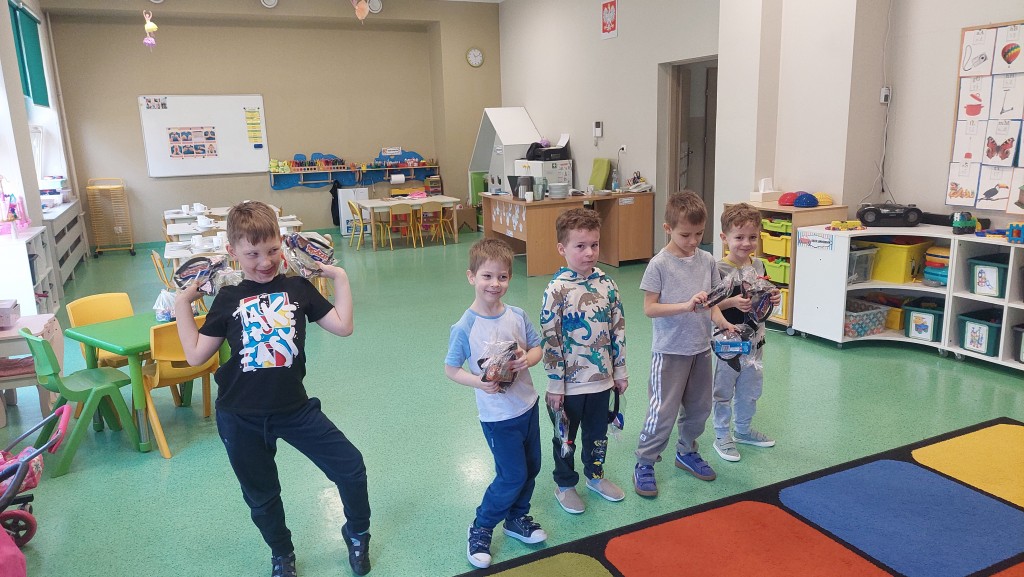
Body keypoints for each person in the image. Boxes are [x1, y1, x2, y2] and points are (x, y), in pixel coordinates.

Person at [174, 200, 371, 577]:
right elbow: (197, 354)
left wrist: (339, 277)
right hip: (240, 417)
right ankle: (282, 553)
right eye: (252, 254)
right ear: (232, 251)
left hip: (294, 409)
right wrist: (183, 303)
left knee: (350, 467)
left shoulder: (299, 288)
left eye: (272, 250)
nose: (265, 262)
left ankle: (357, 533)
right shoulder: (228, 298)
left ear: (282, 243)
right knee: (262, 495)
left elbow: (343, 326)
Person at [445, 238, 547, 569]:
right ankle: (482, 525)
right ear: (471, 277)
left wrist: (528, 359)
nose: (495, 284)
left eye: (502, 277)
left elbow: (537, 347)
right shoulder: (465, 326)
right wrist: (480, 382)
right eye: (487, 276)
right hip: (497, 416)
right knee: (511, 475)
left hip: (527, 406)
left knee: (532, 467)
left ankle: (517, 518)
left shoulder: (516, 315)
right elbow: (451, 369)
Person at [633, 191, 738, 498]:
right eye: (685, 235)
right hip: (669, 352)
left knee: (700, 408)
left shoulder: (707, 261)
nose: (693, 241)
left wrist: (723, 323)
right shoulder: (659, 265)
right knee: (662, 411)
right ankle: (645, 461)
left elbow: (712, 303)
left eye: (699, 234)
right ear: (668, 228)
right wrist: (685, 306)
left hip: (700, 349)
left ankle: (686, 451)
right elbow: (649, 309)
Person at [540, 208, 628, 515]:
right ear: (562, 248)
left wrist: (620, 370)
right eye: (580, 246)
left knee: (597, 435)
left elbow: (618, 329)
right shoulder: (556, 290)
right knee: (565, 437)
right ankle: (565, 484)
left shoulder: (608, 285)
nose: (589, 252)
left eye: (594, 244)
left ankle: (595, 476)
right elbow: (550, 338)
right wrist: (555, 385)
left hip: (602, 381)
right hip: (568, 387)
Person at [711, 203, 780, 462]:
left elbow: (764, 297)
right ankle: (721, 435)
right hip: (728, 342)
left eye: (752, 237)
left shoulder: (759, 266)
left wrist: (773, 297)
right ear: (724, 238)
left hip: (755, 340)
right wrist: (731, 302)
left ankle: (742, 429)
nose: (746, 243)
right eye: (739, 237)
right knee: (723, 389)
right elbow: (708, 306)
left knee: (751, 388)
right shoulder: (717, 269)